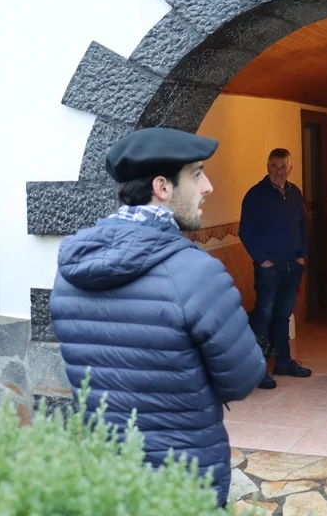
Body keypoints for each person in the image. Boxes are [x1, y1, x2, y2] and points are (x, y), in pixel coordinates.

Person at [50, 128, 265, 508]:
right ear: (162, 187)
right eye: (197, 174)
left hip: (108, 470)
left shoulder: (69, 272)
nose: (208, 187)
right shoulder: (196, 273)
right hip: (184, 476)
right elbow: (243, 378)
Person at [238, 148, 310, 388]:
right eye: (274, 166)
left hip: (293, 265)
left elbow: (303, 226)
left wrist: (302, 257)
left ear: (290, 169)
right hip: (269, 268)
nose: (278, 171)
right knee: (264, 315)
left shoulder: (295, 193)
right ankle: (257, 369)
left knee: (283, 315)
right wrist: (263, 261)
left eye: (283, 167)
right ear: (267, 167)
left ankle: (284, 362)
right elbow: (245, 231)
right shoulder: (255, 194)